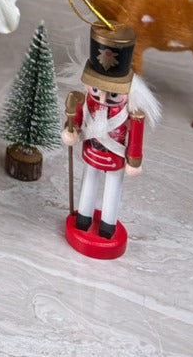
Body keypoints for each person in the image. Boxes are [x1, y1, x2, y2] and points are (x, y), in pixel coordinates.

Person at [61, 18, 155, 256]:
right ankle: (83, 217)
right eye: (96, 90)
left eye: (112, 94)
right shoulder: (86, 102)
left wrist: (134, 160)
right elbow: (75, 120)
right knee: (89, 183)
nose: (102, 99)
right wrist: (71, 131)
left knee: (113, 189)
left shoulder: (130, 114)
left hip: (115, 157)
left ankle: (108, 225)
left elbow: (135, 138)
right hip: (92, 152)